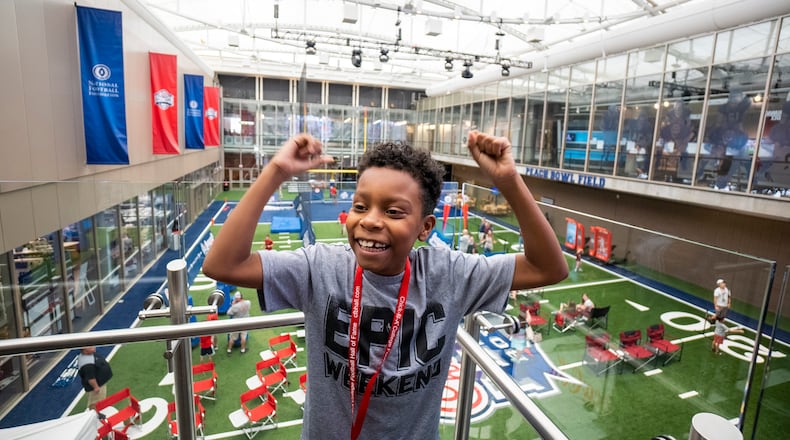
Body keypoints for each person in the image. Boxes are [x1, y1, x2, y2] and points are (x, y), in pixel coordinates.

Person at [202, 131, 567, 440]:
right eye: (361, 206)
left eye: (393, 212)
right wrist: (276, 172)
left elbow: (548, 268)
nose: (371, 221)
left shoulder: (448, 274)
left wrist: (508, 182)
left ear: (425, 228)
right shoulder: (320, 267)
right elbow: (223, 264)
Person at [77, 346, 113, 410]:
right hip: (96, 387)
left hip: (100, 383)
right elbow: (90, 378)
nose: (93, 347)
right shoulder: (87, 363)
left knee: (100, 402)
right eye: (90, 346)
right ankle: (96, 416)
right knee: (96, 404)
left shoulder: (89, 354)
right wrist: (96, 387)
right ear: (84, 349)